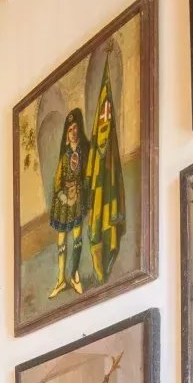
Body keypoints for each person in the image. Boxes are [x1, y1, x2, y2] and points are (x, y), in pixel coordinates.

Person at [85, 81, 126, 285]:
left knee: (108, 221)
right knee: (95, 229)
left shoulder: (111, 151)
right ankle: (98, 270)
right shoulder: (96, 150)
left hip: (107, 190)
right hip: (97, 193)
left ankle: (107, 264)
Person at [46, 110, 90, 300]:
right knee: (62, 240)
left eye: (75, 128)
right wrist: (64, 197)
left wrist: (80, 192)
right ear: (66, 134)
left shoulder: (84, 152)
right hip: (64, 202)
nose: (73, 132)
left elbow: (87, 175)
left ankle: (74, 274)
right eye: (70, 129)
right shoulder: (64, 157)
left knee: (78, 236)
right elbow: (57, 182)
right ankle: (60, 280)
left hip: (78, 198)